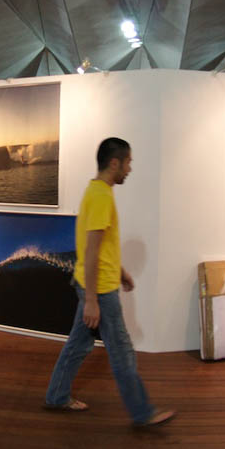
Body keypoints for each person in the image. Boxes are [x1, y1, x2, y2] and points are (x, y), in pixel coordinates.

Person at [44, 138, 175, 428]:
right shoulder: (102, 197)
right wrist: (92, 300)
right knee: (122, 352)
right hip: (100, 291)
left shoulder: (96, 190)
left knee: (78, 345)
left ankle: (56, 396)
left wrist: (120, 271)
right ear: (115, 163)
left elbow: (102, 248)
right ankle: (143, 412)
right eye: (128, 162)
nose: (130, 169)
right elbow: (92, 251)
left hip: (94, 283)